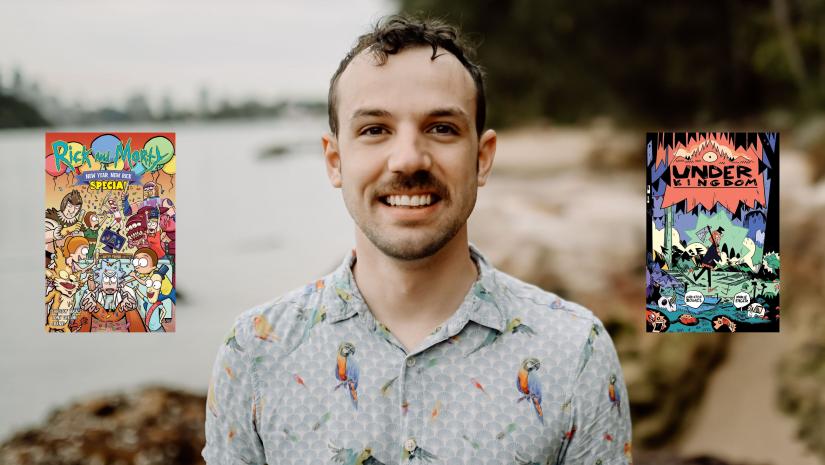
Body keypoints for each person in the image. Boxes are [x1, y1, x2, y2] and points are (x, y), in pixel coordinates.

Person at [203, 15, 632, 464]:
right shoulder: (253, 349)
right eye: (375, 129)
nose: (407, 159)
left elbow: (704, 262)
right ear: (334, 160)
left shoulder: (577, 348)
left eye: (442, 127)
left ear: (482, 159)